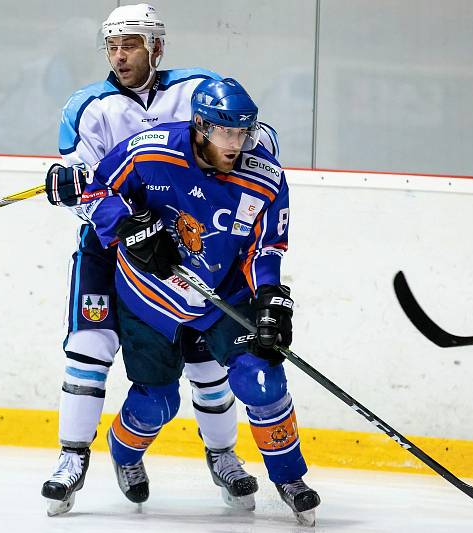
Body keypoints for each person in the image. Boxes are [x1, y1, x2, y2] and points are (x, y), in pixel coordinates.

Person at [40, 4, 279, 516]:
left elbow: (256, 139)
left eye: (131, 45)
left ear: (157, 48)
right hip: (111, 247)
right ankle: (71, 458)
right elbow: (85, 183)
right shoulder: (88, 106)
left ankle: (223, 456)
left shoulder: (198, 89)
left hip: (190, 250)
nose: (120, 55)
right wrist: (69, 184)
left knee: (208, 356)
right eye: (113, 46)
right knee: (90, 342)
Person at [79, 77, 321, 526]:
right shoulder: (150, 150)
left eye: (244, 132)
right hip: (148, 295)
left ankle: (290, 479)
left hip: (220, 294)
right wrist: (129, 228)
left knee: (261, 377)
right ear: (201, 127)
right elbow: (95, 191)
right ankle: (124, 452)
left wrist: (269, 298)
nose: (238, 143)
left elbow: (265, 247)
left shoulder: (264, 176)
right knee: (158, 402)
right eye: (227, 133)